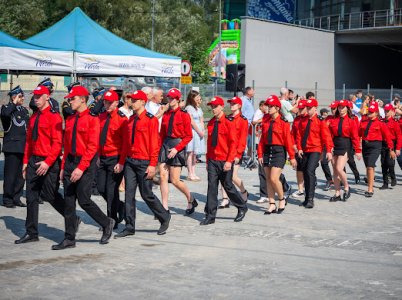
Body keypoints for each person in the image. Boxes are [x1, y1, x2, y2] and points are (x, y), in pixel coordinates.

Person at [52, 85, 115, 250]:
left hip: (85, 164)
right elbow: (66, 146)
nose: (69, 101)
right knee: (68, 201)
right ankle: (69, 238)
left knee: (84, 200)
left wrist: (80, 168)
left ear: (82, 99)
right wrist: (63, 167)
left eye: (72, 99)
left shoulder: (92, 119)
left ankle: (106, 222)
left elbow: (92, 147)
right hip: (70, 162)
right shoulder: (70, 119)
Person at [15, 85, 74, 244]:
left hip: (49, 161)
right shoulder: (33, 117)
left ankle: (72, 218)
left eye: (39, 96)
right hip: (34, 160)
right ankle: (31, 232)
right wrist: (26, 162)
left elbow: (57, 143)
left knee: (50, 195)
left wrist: (47, 163)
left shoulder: (54, 117)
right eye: (34, 96)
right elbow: (29, 142)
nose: (35, 99)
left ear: (47, 97)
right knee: (31, 197)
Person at [114, 90, 171, 237]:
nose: (131, 102)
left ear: (142, 102)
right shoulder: (130, 120)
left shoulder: (150, 120)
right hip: (130, 162)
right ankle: (129, 226)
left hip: (144, 163)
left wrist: (153, 165)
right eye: (131, 100)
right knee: (129, 195)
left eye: (134, 100)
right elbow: (126, 144)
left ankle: (164, 217)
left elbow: (155, 145)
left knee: (146, 194)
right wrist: (121, 162)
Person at [201, 96, 248, 225]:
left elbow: (233, 143)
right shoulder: (211, 122)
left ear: (221, 107)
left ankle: (242, 206)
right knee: (212, 187)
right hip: (212, 160)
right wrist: (207, 161)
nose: (213, 109)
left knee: (228, 186)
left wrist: (229, 161)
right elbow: (209, 143)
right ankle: (210, 215)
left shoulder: (229, 122)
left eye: (215, 106)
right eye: (212, 106)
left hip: (224, 159)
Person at [159, 88, 197, 215]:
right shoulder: (165, 114)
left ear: (178, 99)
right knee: (163, 177)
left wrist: (176, 149)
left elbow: (188, 136)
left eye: (172, 98)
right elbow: (162, 134)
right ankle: (164, 207)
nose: (169, 99)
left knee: (175, 180)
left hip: (177, 145)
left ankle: (190, 199)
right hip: (165, 144)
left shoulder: (184, 114)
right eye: (168, 97)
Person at [257, 95, 297, 214]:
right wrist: (259, 154)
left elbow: (288, 141)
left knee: (274, 178)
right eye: (267, 105)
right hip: (267, 150)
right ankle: (271, 203)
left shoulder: (284, 123)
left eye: (270, 106)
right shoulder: (265, 120)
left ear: (277, 108)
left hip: (279, 151)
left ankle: (281, 198)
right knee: (268, 179)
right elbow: (262, 139)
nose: (268, 108)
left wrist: (292, 157)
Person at [97, 90, 127, 228]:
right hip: (102, 158)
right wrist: (97, 156)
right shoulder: (101, 117)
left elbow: (126, 144)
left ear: (116, 103)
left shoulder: (122, 119)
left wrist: (121, 162)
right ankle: (120, 206)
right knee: (101, 188)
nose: (107, 105)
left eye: (110, 102)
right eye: (105, 102)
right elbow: (98, 138)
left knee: (111, 190)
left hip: (115, 158)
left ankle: (111, 220)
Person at [296, 98, 333, 209]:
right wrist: (299, 148)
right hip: (305, 150)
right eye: (307, 108)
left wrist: (329, 151)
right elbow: (299, 135)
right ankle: (307, 197)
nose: (307, 109)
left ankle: (311, 199)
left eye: (309, 108)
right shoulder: (303, 120)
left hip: (316, 149)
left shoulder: (320, 121)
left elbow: (326, 137)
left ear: (315, 108)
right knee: (306, 173)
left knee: (309, 170)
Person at [327, 99, 362, 202]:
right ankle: (337, 193)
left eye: (343, 107)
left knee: (339, 168)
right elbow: (329, 135)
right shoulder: (334, 120)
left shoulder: (351, 120)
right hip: (335, 144)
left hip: (346, 144)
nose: (341, 109)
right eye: (339, 107)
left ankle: (346, 187)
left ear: (347, 108)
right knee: (335, 171)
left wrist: (358, 150)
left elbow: (355, 136)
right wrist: (329, 148)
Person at [359, 101, 395, 197]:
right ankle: (370, 182)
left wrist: (391, 149)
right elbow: (358, 134)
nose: (369, 113)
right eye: (369, 112)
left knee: (370, 165)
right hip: (365, 146)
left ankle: (370, 189)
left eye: (371, 112)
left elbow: (388, 137)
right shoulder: (363, 122)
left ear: (376, 113)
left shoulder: (381, 124)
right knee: (368, 166)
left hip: (375, 146)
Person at [1, 85, 29, 208]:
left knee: (20, 176)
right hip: (12, 148)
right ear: (14, 97)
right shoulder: (6, 108)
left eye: (22, 96)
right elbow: (6, 115)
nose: (23, 98)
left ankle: (16, 198)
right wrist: (13, 102)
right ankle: (7, 199)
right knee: (10, 176)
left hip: (23, 146)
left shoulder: (24, 110)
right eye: (20, 96)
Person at [219, 96, 249, 208]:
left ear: (239, 105)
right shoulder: (227, 118)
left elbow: (242, 138)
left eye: (234, 104)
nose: (231, 105)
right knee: (223, 174)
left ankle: (243, 191)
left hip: (236, 151)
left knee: (233, 177)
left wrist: (239, 153)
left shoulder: (243, 120)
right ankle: (225, 198)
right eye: (230, 103)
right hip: (226, 151)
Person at [379, 104, 401, 189]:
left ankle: (393, 178)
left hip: (392, 143)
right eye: (385, 110)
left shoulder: (395, 123)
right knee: (383, 163)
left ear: (392, 111)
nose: (386, 112)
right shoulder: (382, 121)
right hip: (383, 144)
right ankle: (385, 183)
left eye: (388, 111)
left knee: (390, 163)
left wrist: (398, 148)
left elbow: (399, 136)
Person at [184, 90, 205, 181]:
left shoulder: (199, 108)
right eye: (197, 97)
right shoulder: (189, 108)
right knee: (190, 152)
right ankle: (190, 173)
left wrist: (203, 130)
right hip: (192, 131)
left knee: (195, 153)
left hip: (199, 131)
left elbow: (201, 120)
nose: (199, 99)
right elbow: (191, 121)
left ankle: (194, 171)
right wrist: (198, 131)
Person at [291, 99, 308, 198]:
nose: (300, 110)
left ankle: (309, 186)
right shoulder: (297, 120)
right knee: (299, 169)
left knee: (308, 169)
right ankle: (300, 189)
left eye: (302, 108)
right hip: (298, 148)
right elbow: (292, 134)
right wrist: (293, 145)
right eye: (299, 108)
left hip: (308, 147)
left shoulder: (309, 119)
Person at [320, 106, 334, 191]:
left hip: (334, 143)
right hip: (324, 145)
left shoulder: (331, 120)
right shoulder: (321, 121)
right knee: (324, 162)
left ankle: (340, 180)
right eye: (324, 114)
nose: (326, 115)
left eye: (327, 114)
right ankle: (329, 180)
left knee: (336, 164)